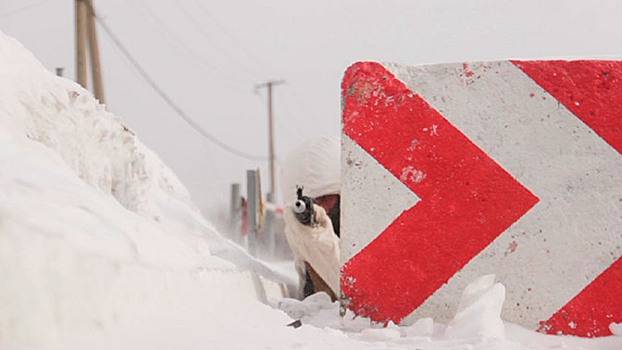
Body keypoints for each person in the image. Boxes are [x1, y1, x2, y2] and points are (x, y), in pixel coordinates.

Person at [281, 137, 341, 301]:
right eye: (315, 202)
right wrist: (313, 231)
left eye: (326, 198)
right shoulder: (298, 228)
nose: (322, 208)